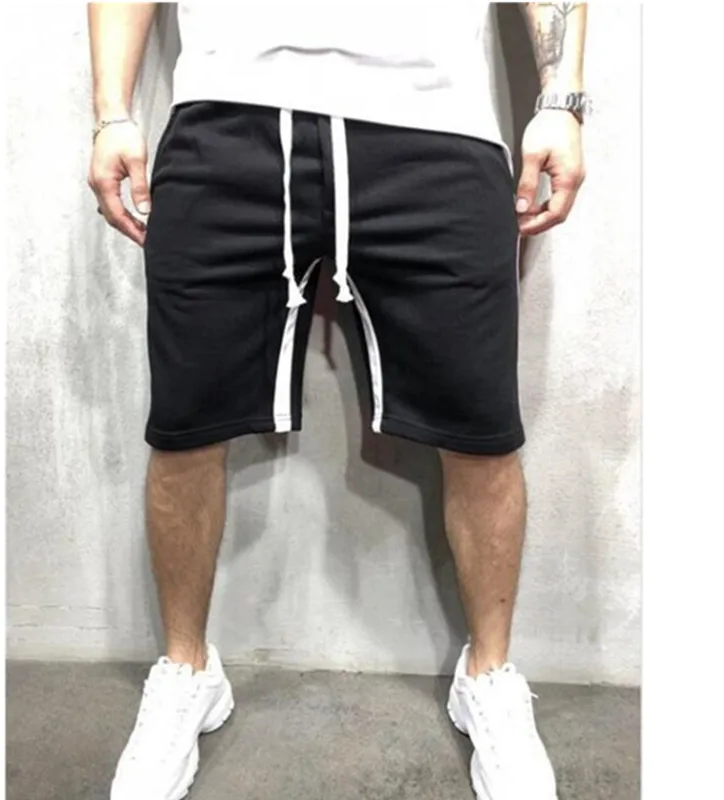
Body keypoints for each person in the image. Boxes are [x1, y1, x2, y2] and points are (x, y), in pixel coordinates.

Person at [87, 2, 588, 799]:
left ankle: (488, 676)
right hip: (227, 116)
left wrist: (561, 98)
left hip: (437, 122)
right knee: (184, 424)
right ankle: (187, 672)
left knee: (482, 429)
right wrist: (112, 111)